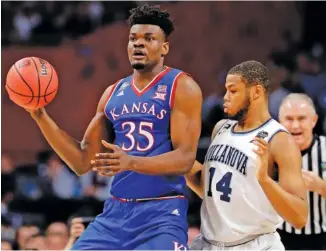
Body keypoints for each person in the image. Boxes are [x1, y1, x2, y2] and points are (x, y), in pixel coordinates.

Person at [25, 4, 202, 250]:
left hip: (161, 213)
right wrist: (39, 115)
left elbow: (185, 159)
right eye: (133, 39)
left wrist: (130, 162)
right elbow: (81, 161)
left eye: (148, 38)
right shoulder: (112, 93)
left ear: (165, 48)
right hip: (116, 213)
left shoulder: (181, 86)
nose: (138, 44)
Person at [185, 60, 308, 250]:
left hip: (256, 245)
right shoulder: (221, 128)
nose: (225, 97)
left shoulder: (279, 140)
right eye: (226, 90)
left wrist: (264, 180)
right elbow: (212, 192)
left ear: (256, 91)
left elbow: (299, 217)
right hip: (210, 244)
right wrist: (177, 157)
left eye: (233, 91)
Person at [278, 93, 326, 250]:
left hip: (321, 237)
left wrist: (321, 187)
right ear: (280, 122)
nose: (295, 125)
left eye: (301, 118)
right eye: (289, 119)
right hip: (279, 235)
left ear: (314, 120)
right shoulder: (269, 151)